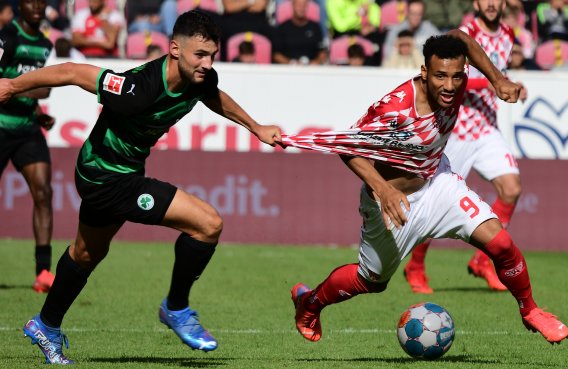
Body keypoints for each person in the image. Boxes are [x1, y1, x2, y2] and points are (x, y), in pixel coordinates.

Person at [0, 10, 282, 364]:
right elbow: (72, 72)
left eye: (212, 55)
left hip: (121, 172)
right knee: (208, 224)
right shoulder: (138, 89)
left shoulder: (201, 77)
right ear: (174, 49)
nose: (208, 64)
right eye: (200, 55)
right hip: (104, 176)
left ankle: (46, 325)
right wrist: (11, 85)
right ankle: (176, 307)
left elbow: (213, 94)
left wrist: (256, 127)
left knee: (87, 254)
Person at [280, 32, 568, 345]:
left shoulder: (456, 78)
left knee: (500, 244)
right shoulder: (396, 107)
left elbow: (461, 39)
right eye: (440, 76)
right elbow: (348, 147)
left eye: (457, 77)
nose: (449, 86)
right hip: (391, 202)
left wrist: (498, 80)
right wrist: (383, 189)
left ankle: (530, 310)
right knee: (372, 280)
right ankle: (310, 303)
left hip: (438, 183)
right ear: (424, 72)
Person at [403, 0, 528, 294]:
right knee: (435, 202)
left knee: (511, 189)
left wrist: (513, 85)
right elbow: (450, 81)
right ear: (476, 3)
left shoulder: (509, 34)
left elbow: (500, 77)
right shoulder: (465, 33)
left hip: (486, 128)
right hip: (457, 129)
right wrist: (494, 82)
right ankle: (416, 266)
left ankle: (483, 262)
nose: (492, 4)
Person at [0, 0, 55, 293]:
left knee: (44, 193)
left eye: (41, 1)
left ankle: (43, 272)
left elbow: (36, 90)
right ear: (19, 5)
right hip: (0, 124)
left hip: (26, 128)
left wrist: (37, 112)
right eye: (29, 1)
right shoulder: (7, 37)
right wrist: (36, 88)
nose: (36, 5)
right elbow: (40, 86)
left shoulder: (45, 45)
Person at [272, 0, 328, 65]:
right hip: (288, 70)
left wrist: (315, 63)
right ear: (293, 5)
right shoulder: (282, 28)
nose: (301, 8)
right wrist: (292, 63)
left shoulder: (315, 27)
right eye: (298, 5)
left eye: (304, 5)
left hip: (311, 70)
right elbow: (276, 54)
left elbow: (322, 52)